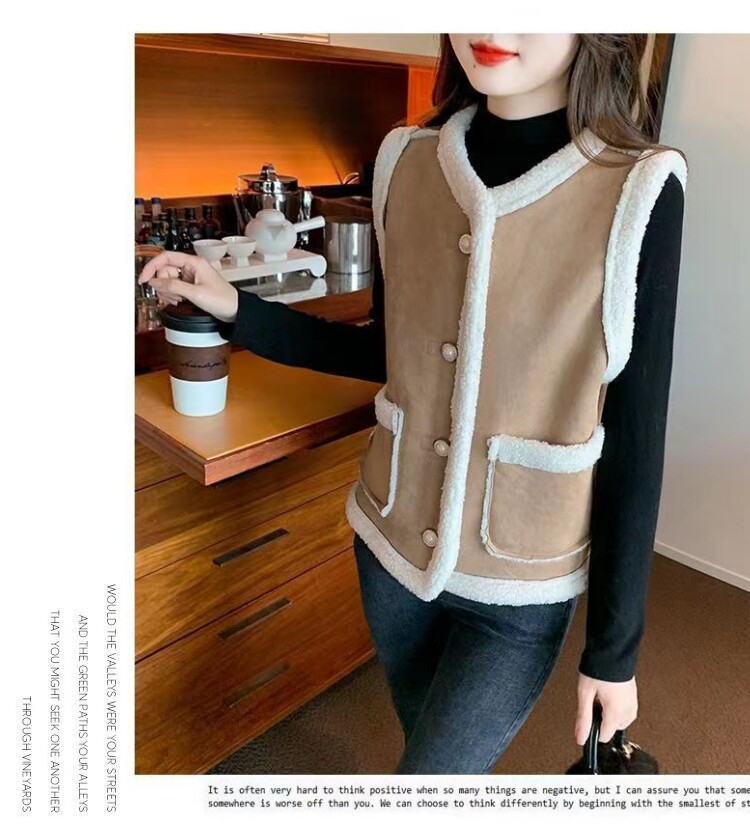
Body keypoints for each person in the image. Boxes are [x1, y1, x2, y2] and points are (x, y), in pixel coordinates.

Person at [139, 33, 687, 774]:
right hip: (389, 552)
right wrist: (237, 307)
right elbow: (387, 353)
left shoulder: (638, 189)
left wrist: (614, 654)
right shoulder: (406, 161)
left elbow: (635, 442)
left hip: (517, 588)